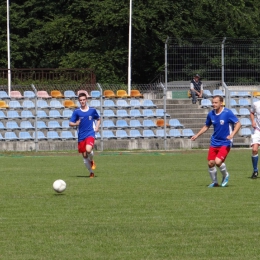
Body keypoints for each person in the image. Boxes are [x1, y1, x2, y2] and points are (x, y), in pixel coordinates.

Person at [191, 95, 241, 187]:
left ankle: (226, 175)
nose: (213, 104)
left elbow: (238, 123)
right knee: (210, 163)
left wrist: (232, 135)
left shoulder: (227, 112)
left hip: (225, 142)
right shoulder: (211, 114)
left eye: (215, 102)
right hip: (214, 142)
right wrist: (196, 135)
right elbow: (206, 126)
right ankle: (215, 182)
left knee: (218, 162)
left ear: (221, 103)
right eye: (213, 102)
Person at [69, 92, 100, 178]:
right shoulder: (77, 112)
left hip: (90, 133)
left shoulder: (92, 110)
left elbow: (98, 119)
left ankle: (92, 160)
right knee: (84, 156)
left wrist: (97, 127)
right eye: (80, 100)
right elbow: (70, 123)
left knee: (88, 150)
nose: (82, 101)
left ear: (86, 100)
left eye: (83, 100)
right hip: (81, 136)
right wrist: (76, 124)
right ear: (79, 101)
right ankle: (91, 172)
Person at [250, 99, 260, 178]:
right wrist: (253, 121)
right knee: (254, 150)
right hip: (257, 130)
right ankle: (255, 171)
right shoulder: (256, 104)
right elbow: (252, 113)